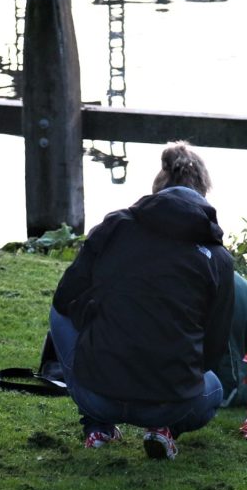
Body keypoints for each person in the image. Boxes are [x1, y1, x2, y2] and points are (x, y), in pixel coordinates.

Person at [49, 141, 235, 459]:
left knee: (59, 313)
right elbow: (215, 346)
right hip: (173, 402)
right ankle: (164, 429)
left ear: (157, 188)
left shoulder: (114, 227)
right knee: (213, 387)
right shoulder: (217, 258)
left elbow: (66, 298)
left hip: (98, 393)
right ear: (203, 193)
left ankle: (97, 427)